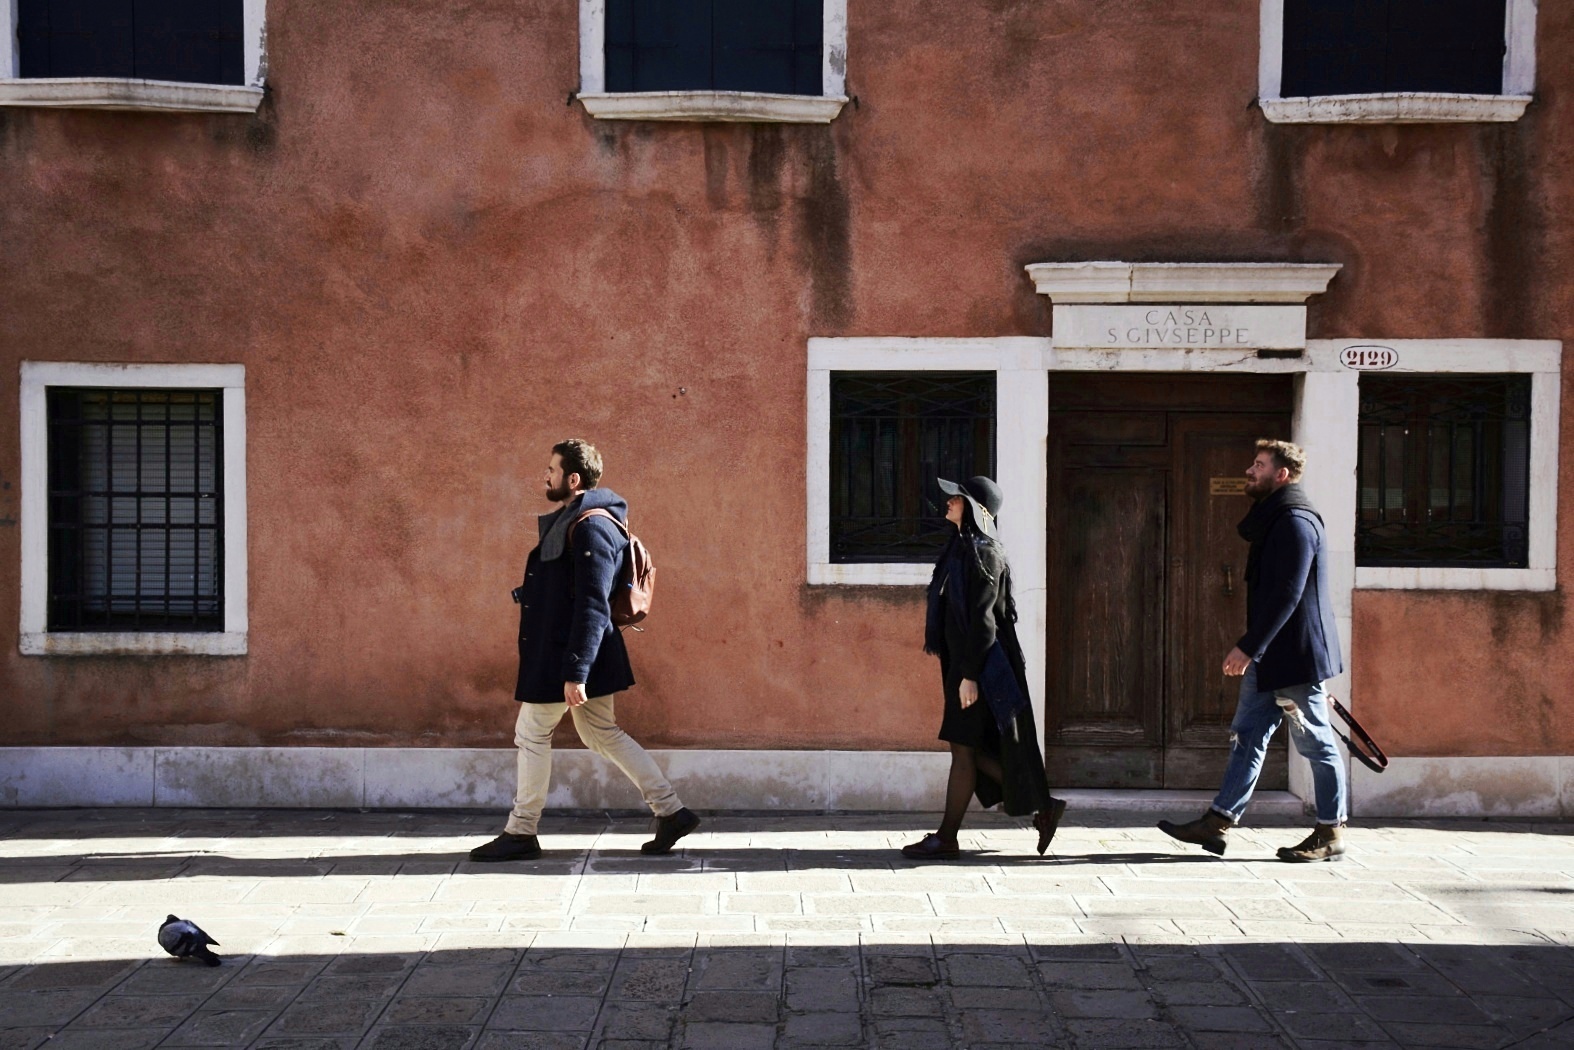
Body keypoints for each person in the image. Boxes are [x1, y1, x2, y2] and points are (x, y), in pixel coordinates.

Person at [470, 439, 699, 862]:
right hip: (573, 652)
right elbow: (568, 589)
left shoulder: (592, 525)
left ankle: (521, 831)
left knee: (531, 733)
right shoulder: (574, 521)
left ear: (572, 479)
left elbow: (593, 603)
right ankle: (671, 811)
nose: (546, 476)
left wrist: (577, 672)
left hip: (570, 656)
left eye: (552, 470)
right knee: (600, 733)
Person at [1158, 439, 1347, 862]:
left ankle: (1331, 830)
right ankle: (1218, 821)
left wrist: (1247, 647)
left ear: (1281, 475)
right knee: (1247, 736)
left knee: (1317, 743)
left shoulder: (1295, 521)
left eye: (1259, 465)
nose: (1249, 470)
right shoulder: (1276, 518)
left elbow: (1288, 593)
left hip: (1295, 657)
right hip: (1272, 656)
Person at [902, 475, 1068, 860]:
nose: (947, 504)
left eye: (955, 499)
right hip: (963, 667)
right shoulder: (959, 549)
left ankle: (946, 837)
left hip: (981, 670)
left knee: (963, 750)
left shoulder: (984, 552)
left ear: (976, 509)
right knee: (968, 751)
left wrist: (970, 677)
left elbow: (983, 623)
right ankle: (1043, 804)